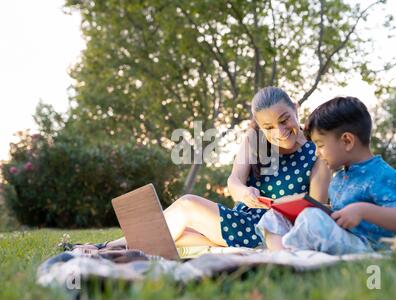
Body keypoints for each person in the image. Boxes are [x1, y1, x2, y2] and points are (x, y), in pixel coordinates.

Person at [107, 87, 331, 249]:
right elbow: (234, 182)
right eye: (269, 127)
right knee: (176, 234)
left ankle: (106, 246)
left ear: (295, 108)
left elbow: (314, 212)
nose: (279, 132)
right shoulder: (255, 141)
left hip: (273, 230)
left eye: (285, 120)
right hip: (242, 218)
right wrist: (244, 193)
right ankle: (107, 247)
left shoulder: (316, 152)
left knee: (187, 206)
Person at [255, 96, 396, 254]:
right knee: (275, 216)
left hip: (368, 245)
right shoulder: (339, 178)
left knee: (312, 218)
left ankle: (290, 253)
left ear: (347, 141)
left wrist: (361, 210)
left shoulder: (381, 174)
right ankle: (282, 254)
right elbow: (341, 212)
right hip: (339, 235)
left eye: (320, 145)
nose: (317, 153)